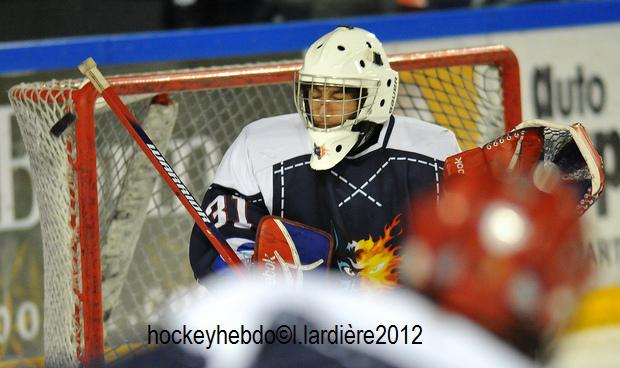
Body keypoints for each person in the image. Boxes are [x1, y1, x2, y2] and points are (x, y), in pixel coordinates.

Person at [189, 26, 460, 286]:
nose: (322, 108)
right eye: (314, 94)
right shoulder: (259, 147)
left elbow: (463, 249)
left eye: (338, 96)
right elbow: (218, 245)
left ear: (375, 96)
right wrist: (253, 273)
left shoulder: (433, 152)